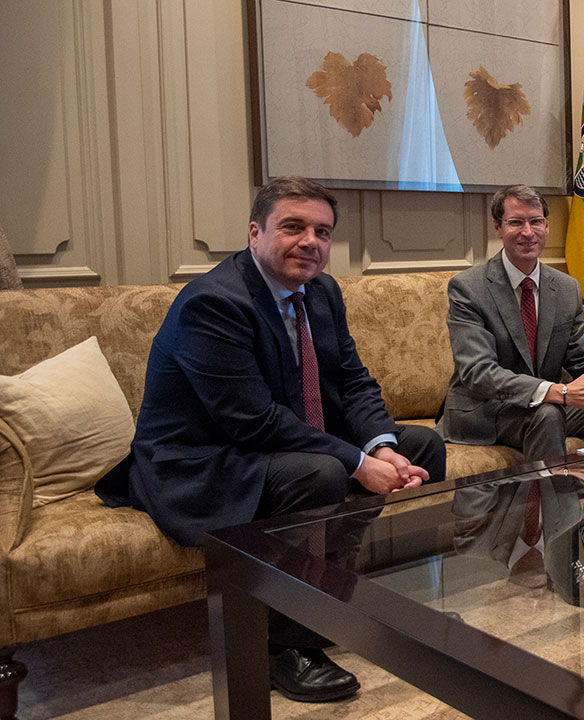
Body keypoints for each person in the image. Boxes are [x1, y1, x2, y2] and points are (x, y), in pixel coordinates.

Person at [96, 176, 447, 703]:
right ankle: (282, 644)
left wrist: (380, 446)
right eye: (293, 226)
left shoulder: (323, 291)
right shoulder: (212, 303)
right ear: (255, 232)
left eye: (322, 231)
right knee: (323, 472)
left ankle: (331, 591)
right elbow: (252, 420)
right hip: (203, 460)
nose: (311, 241)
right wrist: (356, 462)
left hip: (276, 442)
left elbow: (351, 381)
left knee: (421, 447)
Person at [438, 184, 584, 462]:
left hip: (549, 405)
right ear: (498, 228)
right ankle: (554, 503)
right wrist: (561, 392)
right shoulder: (469, 288)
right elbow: (478, 372)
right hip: (486, 410)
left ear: (546, 226)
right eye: (516, 222)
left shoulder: (565, 287)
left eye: (536, 221)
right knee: (547, 414)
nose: (527, 232)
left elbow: (582, 357)